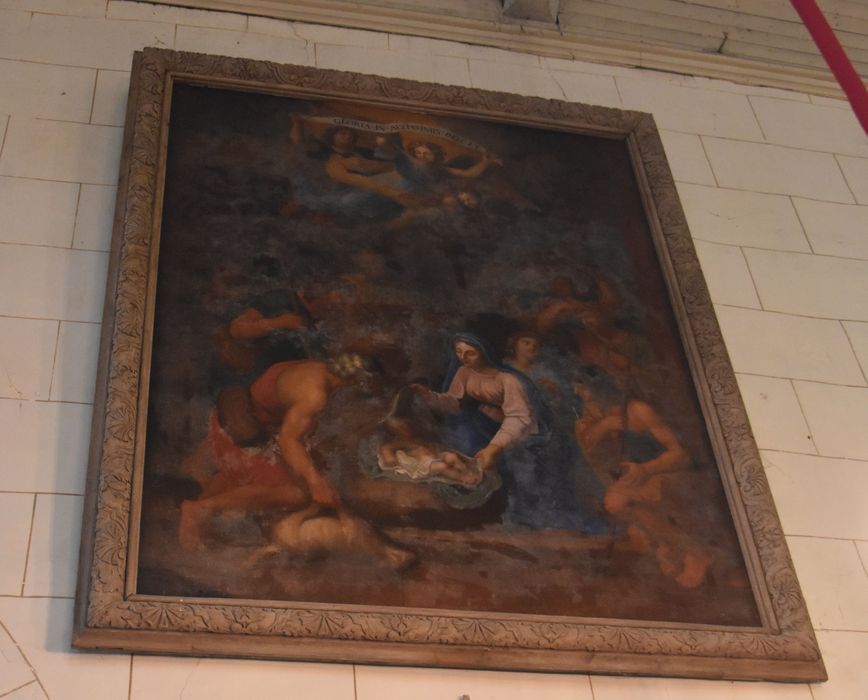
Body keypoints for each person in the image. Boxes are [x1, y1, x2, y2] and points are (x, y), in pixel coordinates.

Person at [178, 353, 413, 569]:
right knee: (295, 493)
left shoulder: (315, 369)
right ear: (353, 381)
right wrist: (316, 482)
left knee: (299, 480)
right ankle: (200, 509)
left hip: (249, 429)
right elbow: (287, 440)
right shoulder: (315, 394)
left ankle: (206, 504)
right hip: (238, 434)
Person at [573, 367, 712, 588]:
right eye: (579, 392)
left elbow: (681, 456)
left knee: (627, 502)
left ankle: (689, 552)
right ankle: (670, 547)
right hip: (636, 485)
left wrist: (646, 470)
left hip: (667, 475)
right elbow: (601, 469)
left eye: (585, 390)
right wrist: (604, 426)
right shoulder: (586, 426)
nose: (584, 397)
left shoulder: (638, 411)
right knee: (617, 503)